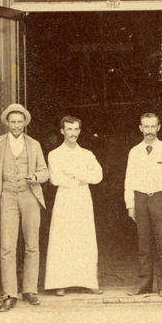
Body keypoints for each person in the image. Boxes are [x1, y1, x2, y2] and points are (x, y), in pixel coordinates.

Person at [0, 104, 50, 312]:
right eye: (12, 122)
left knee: (32, 245)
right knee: (7, 246)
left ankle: (30, 290)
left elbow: (45, 171)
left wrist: (36, 177)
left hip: (30, 195)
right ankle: (10, 293)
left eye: (20, 122)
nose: (16, 125)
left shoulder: (34, 144)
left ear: (25, 123)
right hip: (7, 196)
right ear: (7, 123)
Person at [124, 111, 162, 297]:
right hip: (140, 199)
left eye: (153, 126)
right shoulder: (134, 151)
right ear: (140, 128)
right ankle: (144, 285)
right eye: (146, 127)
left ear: (159, 127)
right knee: (143, 245)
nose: (149, 130)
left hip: (160, 198)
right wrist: (130, 205)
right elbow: (129, 180)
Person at [44, 115, 104, 295]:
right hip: (64, 199)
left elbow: (97, 176)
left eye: (76, 129)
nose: (73, 133)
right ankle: (61, 283)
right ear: (62, 131)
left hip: (83, 198)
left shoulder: (87, 154)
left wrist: (75, 174)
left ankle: (87, 281)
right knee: (63, 238)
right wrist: (81, 177)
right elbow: (56, 179)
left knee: (84, 237)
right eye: (69, 129)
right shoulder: (55, 154)